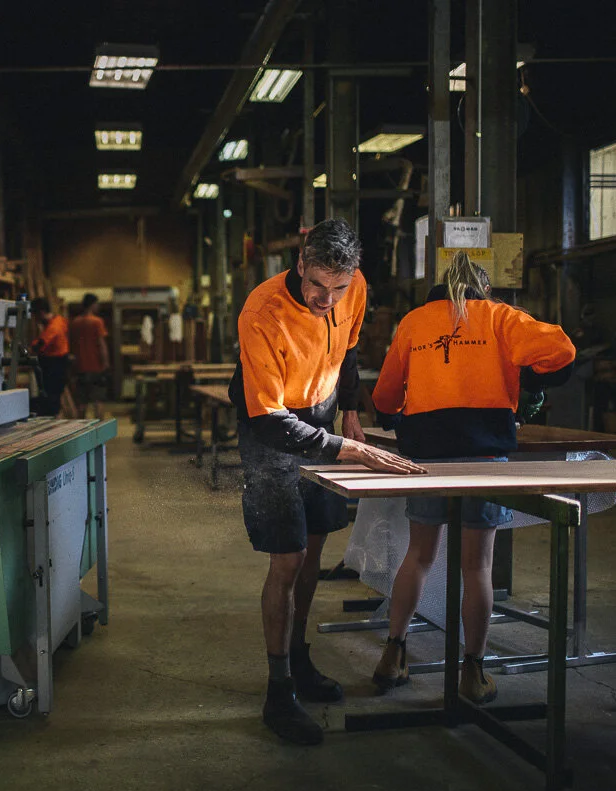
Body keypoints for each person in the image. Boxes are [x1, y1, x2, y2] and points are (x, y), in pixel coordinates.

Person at [229, 219, 424, 745]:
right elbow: (268, 418)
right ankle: (278, 691)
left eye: (338, 287)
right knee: (288, 558)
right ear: (300, 264)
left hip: (322, 412)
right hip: (271, 426)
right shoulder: (262, 312)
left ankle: (298, 658)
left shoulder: (353, 288)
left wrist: (351, 410)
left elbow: (349, 349)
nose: (327, 298)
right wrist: (350, 449)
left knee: (314, 546)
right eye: (317, 284)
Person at [369, 253, 576, 704]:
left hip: (428, 456)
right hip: (484, 454)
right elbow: (562, 351)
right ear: (485, 289)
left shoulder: (414, 322)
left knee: (419, 556)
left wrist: (397, 411)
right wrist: (529, 376)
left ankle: (393, 654)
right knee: (477, 566)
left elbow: (384, 397)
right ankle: (473, 672)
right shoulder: (500, 317)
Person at [68, 293, 110, 419]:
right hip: (96, 367)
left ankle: (83, 429)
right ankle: (100, 429)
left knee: (81, 403)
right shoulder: (97, 322)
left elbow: (72, 345)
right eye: (97, 304)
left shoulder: (75, 322)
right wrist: (106, 363)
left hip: (80, 367)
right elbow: (101, 344)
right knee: (98, 400)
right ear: (92, 305)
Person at [30, 297, 69, 417]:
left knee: (51, 400)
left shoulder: (53, 327)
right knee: (53, 399)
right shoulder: (58, 320)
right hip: (56, 363)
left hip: (53, 366)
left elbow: (40, 343)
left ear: (41, 312)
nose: (35, 319)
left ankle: (55, 421)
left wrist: (30, 348)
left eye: (35, 315)